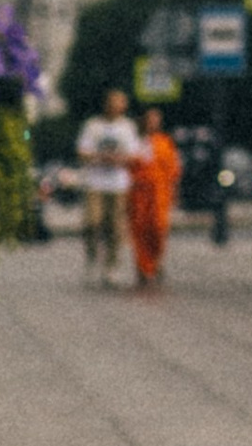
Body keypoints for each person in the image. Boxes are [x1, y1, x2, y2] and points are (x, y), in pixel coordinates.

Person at [76, 86, 138, 284]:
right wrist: (101, 156)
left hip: (118, 185)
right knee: (92, 223)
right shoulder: (93, 126)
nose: (115, 107)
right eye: (111, 103)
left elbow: (134, 155)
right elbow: (82, 152)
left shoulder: (127, 127)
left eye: (119, 103)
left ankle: (111, 267)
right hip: (95, 183)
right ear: (106, 105)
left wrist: (118, 159)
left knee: (116, 228)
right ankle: (92, 255)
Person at [125, 105, 181, 293]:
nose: (153, 122)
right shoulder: (135, 142)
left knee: (158, 227)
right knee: (140, 229)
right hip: (139, 193)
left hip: (160, 192)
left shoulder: (165, 142)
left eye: (156, 119)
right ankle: (144, 267)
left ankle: (156, 261)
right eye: (149, 119)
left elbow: (173, 169)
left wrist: (174, 189)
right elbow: (128, 166)